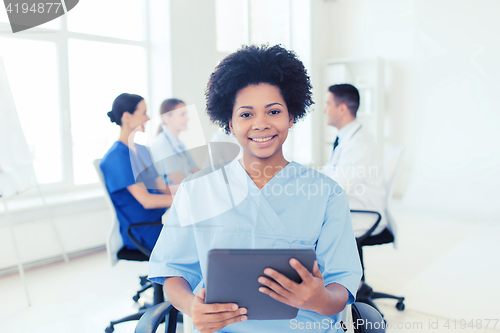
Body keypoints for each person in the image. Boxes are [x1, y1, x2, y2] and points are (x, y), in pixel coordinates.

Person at [148, 45, 362, 333]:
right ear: (230, 122)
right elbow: (173, 271)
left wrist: (321, 299)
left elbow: (341, 286)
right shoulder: (196, 190)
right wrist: (191, 307)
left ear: (291, 117)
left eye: (273, 111)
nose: (260, 124)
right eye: (246, 115)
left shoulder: (326, 194)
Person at [100, 93, 175, 251]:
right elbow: (146, 201)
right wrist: (183, 200)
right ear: (127, 117)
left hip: (158, 222)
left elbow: (163, 188)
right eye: (143, 113)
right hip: (142, 231)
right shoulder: (116, 157)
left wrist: (191, 191)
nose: (148, 118)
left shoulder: (142, 151)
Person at [320, 84, 387, 238]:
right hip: (350, 209)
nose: (325, 110)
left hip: (362, 215)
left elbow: (337, 187)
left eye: (328, 104)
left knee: (307, 229)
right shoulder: (346, 139)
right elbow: (329, 173)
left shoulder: (359, 144)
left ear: (342, 109)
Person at [150, 98, 200, 185]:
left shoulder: (180, 144)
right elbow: (177, 179)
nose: (187, 118)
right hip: (169, 195)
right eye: (182, 114)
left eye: (186, 114)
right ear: (167, 118)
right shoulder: (161, 144)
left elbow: (196, 170)